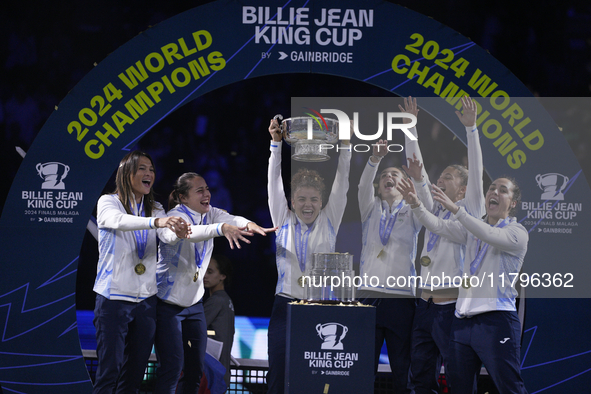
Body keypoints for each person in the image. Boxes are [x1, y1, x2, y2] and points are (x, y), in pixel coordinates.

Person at [398, 175, 528, 394]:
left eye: (503, 190)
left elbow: (489, 234)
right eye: (491, 188)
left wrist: (458, 211)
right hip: (462, 321)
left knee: (509, 387)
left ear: (513, 203)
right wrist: (416, 205)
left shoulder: (518, 233)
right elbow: (438, 225)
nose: (494, 192)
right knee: (459, 388)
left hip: (496, 320)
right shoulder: (472, 231)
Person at [155, 172, 275, 394]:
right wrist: (221, 229)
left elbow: (232, 219)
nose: (207, 194)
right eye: (199, 190)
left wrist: (248, 223)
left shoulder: (210, 213)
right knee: (171, 369)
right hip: (168, 306)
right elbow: (189, 233)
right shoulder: (174, 217)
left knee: (195, 370)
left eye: (207, 189)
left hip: (194, 305)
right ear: (183, 197)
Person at [266, 116, 352, 394]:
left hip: (320, 307)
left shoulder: (330, 219)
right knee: (278, 375)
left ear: (322, 202)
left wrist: (346, 145)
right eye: (301, 198)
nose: (308, 204)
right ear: (292, 201)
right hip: (284, 306)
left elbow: (343, 182)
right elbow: (273, 183)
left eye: (314, 199)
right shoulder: (283, 217)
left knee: (313, 378)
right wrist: (276, 145)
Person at [93, 150, 189, 394]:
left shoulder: (155, 207)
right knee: (109, 372)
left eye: (152, 170)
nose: (149, 174)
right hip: (113, 298)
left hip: (146, 301)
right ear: (127, 174)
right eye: (143, 169)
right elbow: (119, 221)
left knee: (134, 374)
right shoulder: (108, 202)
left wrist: (177, 233)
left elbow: (166, 235)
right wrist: (156, 222)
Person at [357, 97, 433, 394]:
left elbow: (424, 198)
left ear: (406, 185)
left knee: (403, 367)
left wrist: (410, 131)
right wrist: (375, 160)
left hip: (402, 298)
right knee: (363, 366)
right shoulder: (369, 208)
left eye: (396, 175)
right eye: (385, 176)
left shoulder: (414, 211)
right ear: (378, 185)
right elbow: (362, 187)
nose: (389, 178)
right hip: (368, 296)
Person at [409, 96, 485, 393]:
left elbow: (476, 172)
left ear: (463, 188)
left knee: (458, 378)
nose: (439, 180)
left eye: (448, 178)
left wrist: (472, 129)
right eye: (439, 177)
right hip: (424, 306)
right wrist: (410, 130)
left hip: (451, 309)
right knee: (420, 377)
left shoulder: (471, 208)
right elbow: (418, 170)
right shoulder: (434, 207)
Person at [204, 254, 235, 388]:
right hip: (222, 372)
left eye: (210, 272)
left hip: (212, 373)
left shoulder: (216, 300)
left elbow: (195, 329)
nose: (205, 275)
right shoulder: (227, 300)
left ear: (223, 276)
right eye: (204, 270)